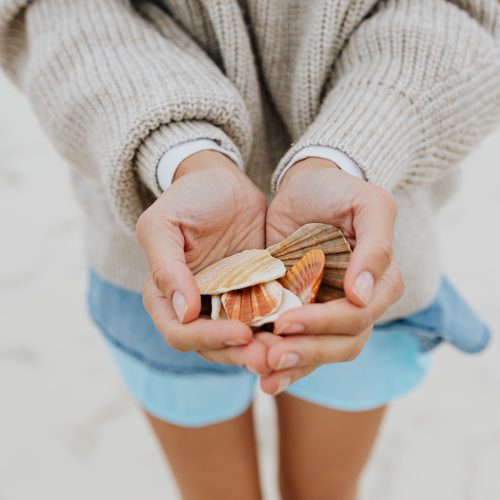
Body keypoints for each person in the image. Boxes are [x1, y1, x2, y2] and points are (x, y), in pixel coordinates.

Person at [1, 1, 499, 499]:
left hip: (355, 256)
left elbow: (464, 14)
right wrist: (182, 153)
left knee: (325, 491)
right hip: (167, 260)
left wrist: (347, 152)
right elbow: (55, 13)